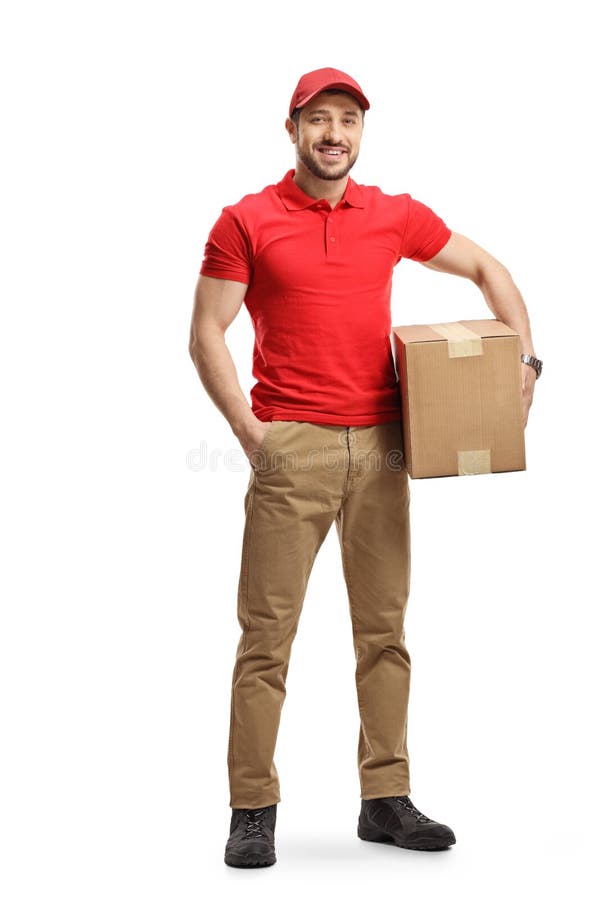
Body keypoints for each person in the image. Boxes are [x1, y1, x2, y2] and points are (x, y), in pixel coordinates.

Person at [188, 66, 541, 868]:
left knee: (384, 634)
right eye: (319, 119)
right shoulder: (246, 220)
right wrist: (252, 437)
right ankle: (253, 809)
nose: (334, 134)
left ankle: (385, 798)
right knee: (266, 638)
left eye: (347, 119)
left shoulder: (392, 215)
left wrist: (526, 360)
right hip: (294, 445)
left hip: (385, 446)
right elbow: (206, 331)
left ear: (361, 132)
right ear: (292, 129)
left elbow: (489, 270)